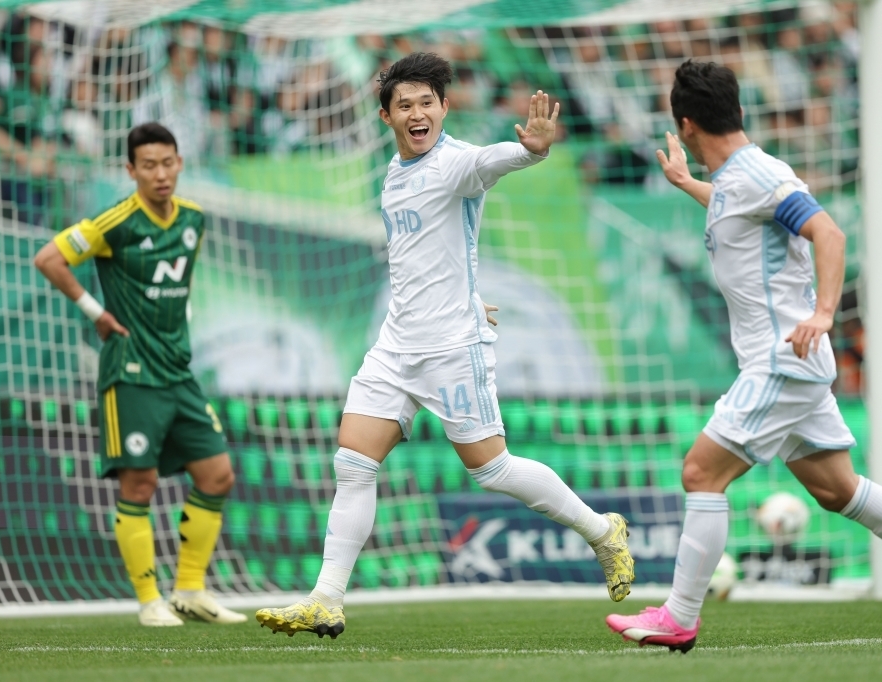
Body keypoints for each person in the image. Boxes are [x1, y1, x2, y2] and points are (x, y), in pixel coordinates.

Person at [255, 52, 635, 639]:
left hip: (452, 349)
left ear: (443, 108)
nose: (416, 112)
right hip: (395, 345)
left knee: (493, 469)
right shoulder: (392, 176)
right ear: (387, 117)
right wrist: (469, 290)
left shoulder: (457, 164)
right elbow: (426, 257)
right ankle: (326, 599)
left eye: (426, 102)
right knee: (353, 462)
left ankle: (601, 531)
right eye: (404, 104)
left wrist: (532, 149)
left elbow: (492, 161)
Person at [605, 61, 882, 652]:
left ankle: (679, 616)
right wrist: (686, 184)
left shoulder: (756, 175)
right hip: (791, 364)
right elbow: (737, 208)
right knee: (837, 491)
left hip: (781, 360)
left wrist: (825, 313)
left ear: (687, 124)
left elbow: (829, 234)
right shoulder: (735, 179)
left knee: (701, 472)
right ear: (740, 113)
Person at [33, 123, 245, 628]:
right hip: (130, 373)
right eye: (148, 165)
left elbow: (173, 288)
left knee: (217, 474)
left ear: (180, 163)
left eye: (167, 162)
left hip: (178, 371)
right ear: (131, 171)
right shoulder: (118, 221)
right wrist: (96, 312)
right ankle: (150, 600)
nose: (160, 173)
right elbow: (48, 258)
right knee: (140, 482)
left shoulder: (193, 219)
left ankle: (190, 590)